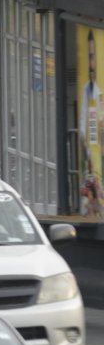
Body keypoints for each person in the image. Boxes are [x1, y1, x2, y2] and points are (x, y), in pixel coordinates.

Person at [79, 31, 101, 215]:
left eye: (93, 56)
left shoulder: (97, 91)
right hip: (91, 156)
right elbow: (84, 128)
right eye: (89, 56)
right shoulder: (87, 89)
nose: (91, 64)